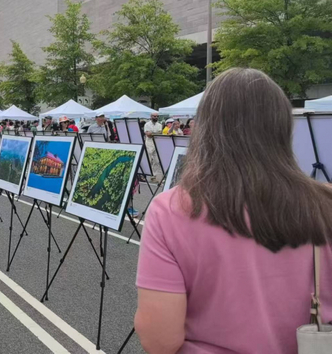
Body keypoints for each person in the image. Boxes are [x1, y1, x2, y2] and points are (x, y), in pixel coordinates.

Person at [135, 68, 332, 353]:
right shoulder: (325, 203)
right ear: (283, 127)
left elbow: (160, 341)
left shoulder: (171, 211)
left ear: (205, 127)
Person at [143, 112, 163, 182]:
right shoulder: (147, 124)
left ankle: (154, 176)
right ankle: (144, 175)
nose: (156, 117)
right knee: (148, 160)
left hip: (157, 144)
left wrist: (153, 133)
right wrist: (156, 133)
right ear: (151, 116)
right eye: (154, 116)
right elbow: (148, 134)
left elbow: (160, 134)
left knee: (156, 161)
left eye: (157, 116)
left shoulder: (159, 125)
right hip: (149, 143)